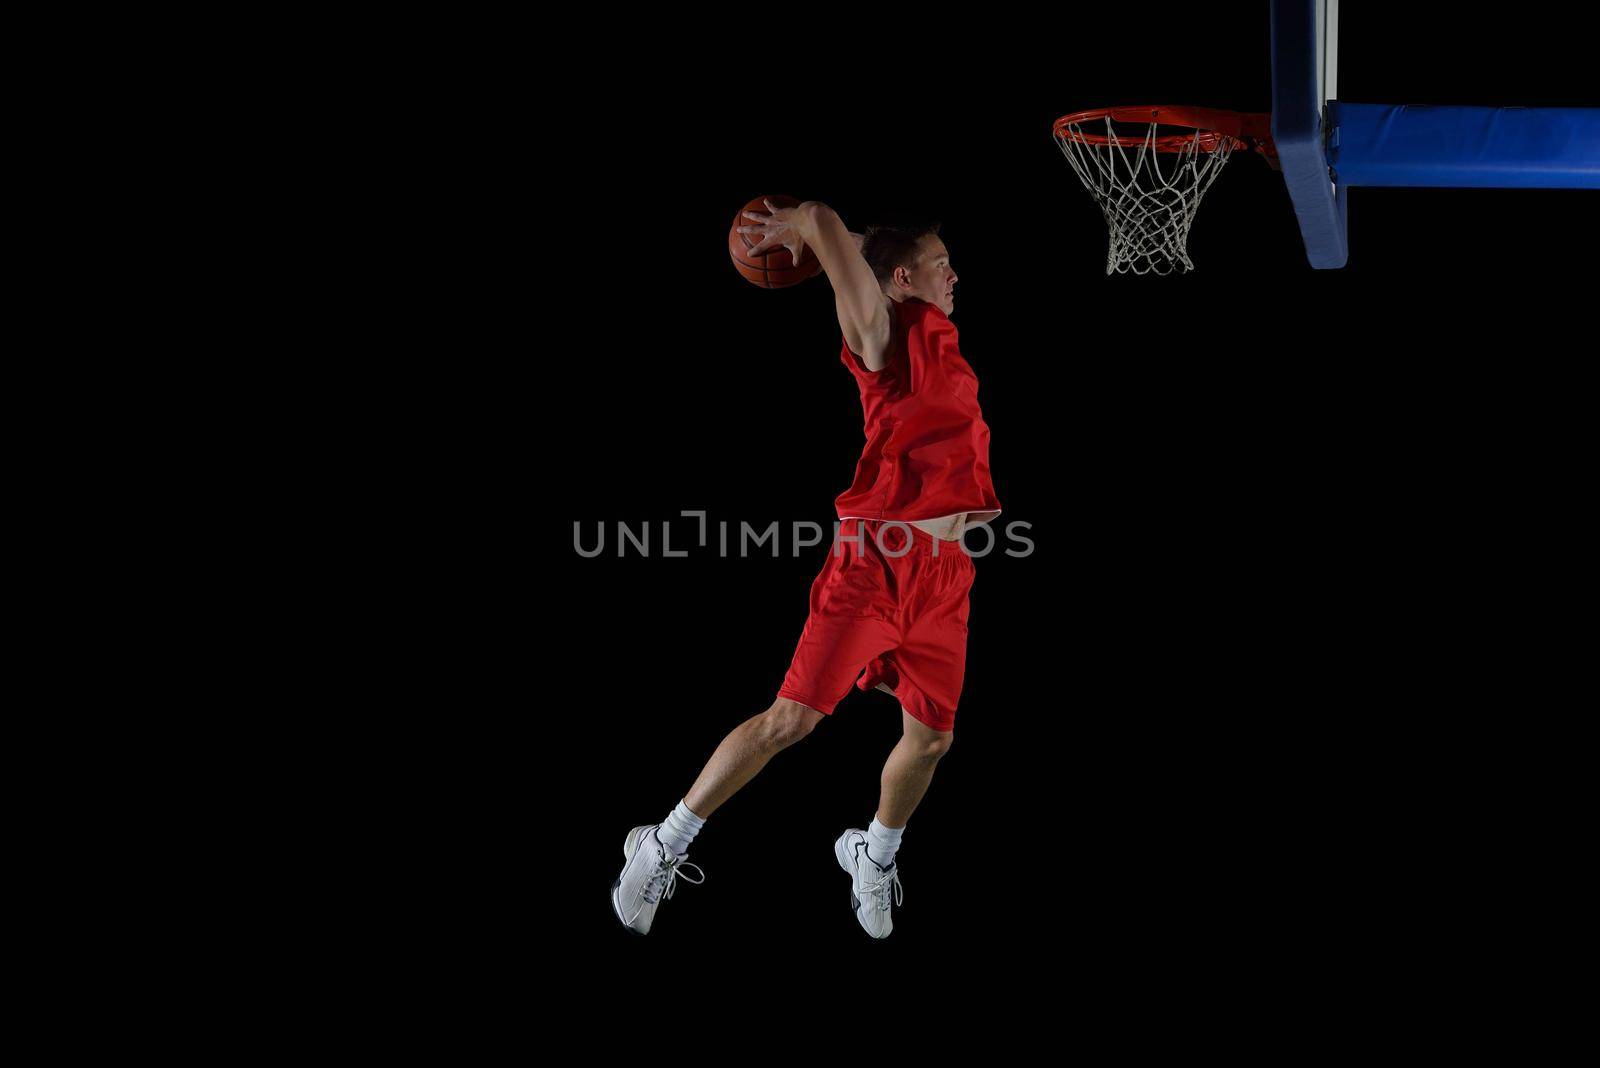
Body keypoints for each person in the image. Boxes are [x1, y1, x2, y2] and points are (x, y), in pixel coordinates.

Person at [611, 199, 1000, 939]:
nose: (956, 276)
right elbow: (825, 219)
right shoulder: (883, 335)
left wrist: (854, 239)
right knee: (791, 721)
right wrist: (802, 227)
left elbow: (863, 245)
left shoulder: (940, 341)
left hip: (945, 574)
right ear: (900, 278)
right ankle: (661, 842)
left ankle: (872, 855)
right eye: (941, 265)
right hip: (874, 566)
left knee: (932, 739)